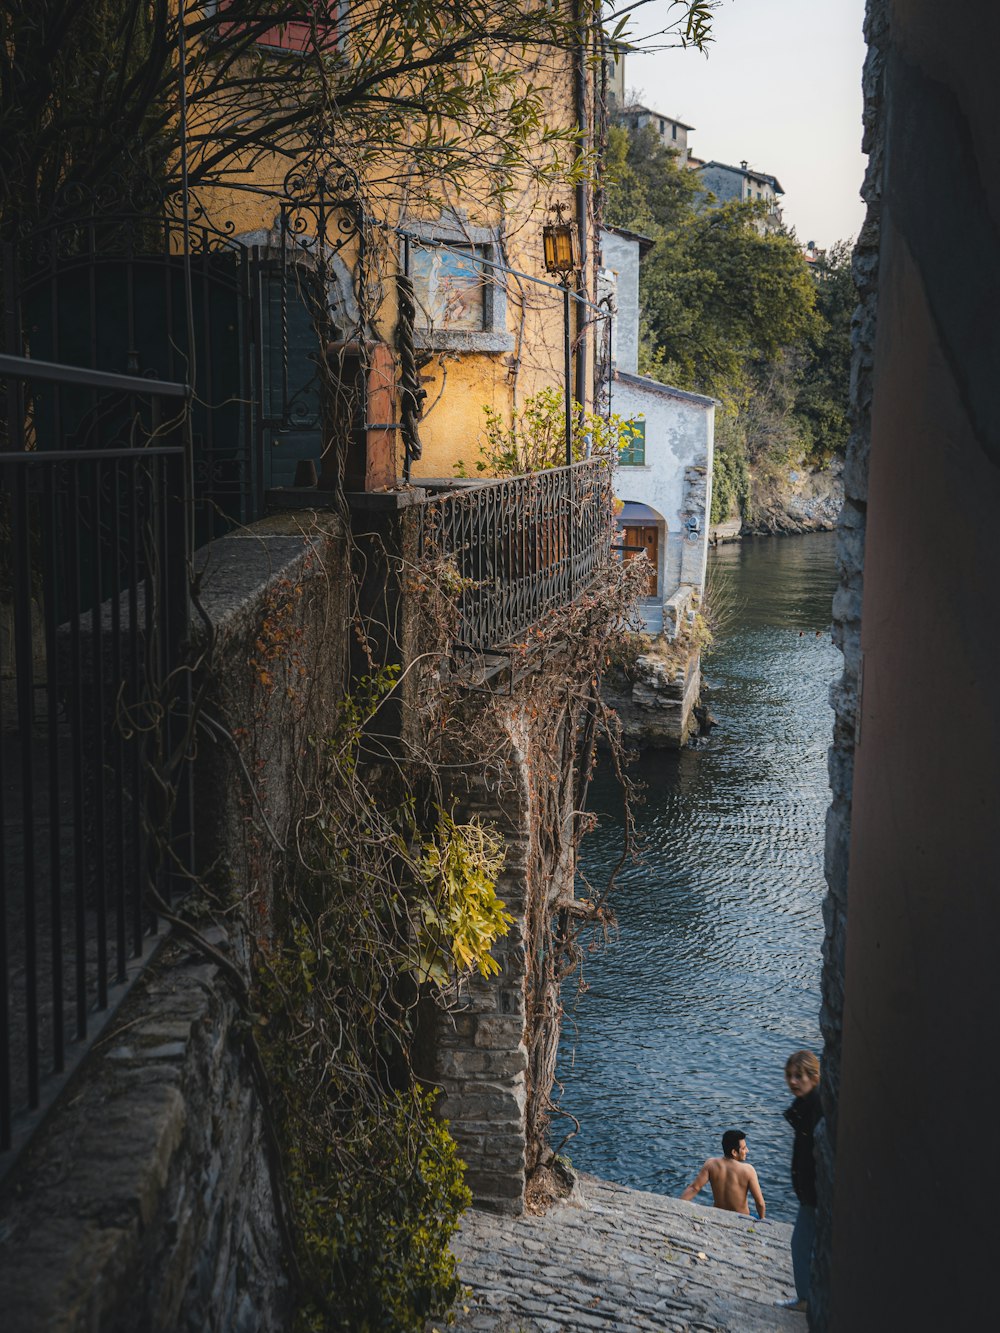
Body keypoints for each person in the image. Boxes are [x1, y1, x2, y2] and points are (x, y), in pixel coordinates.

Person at [776, 1049, 823, 1313]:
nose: (793, 1082)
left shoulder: (815, 1109)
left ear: (814, 1078)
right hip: (810, 1193)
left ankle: (805, 1299)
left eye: (800, 1076)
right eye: (790, 1076)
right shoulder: (806, 1107)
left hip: (814, 1195)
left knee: (801, 1245)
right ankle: (809, 1297)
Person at [679, 1129, 766, 1219]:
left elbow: (694, 1188)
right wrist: (762, 1218)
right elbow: (760, 1203)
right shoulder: (748, 1170)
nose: (747, 1150)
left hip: (718, 1215)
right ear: (734, 1152)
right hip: (741, 1218)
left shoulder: (711, 1164)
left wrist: (678, 1206)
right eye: (744, 1148)